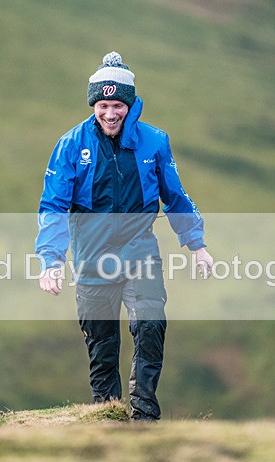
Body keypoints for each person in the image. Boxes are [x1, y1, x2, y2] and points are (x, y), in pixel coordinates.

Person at [35, 51, 213, 421]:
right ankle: (108, 418)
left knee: (150, 325)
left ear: (129, 105)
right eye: (103, 104)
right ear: (94, 105)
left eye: (117, 104)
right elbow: (53, 206)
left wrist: (197, 245)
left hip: (140, 253)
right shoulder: (71, 145)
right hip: (91, 259)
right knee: (102, 346)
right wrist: (50, 261)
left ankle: (144, 417)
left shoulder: (154, 142)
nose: (110, 113)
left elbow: (175, 196)